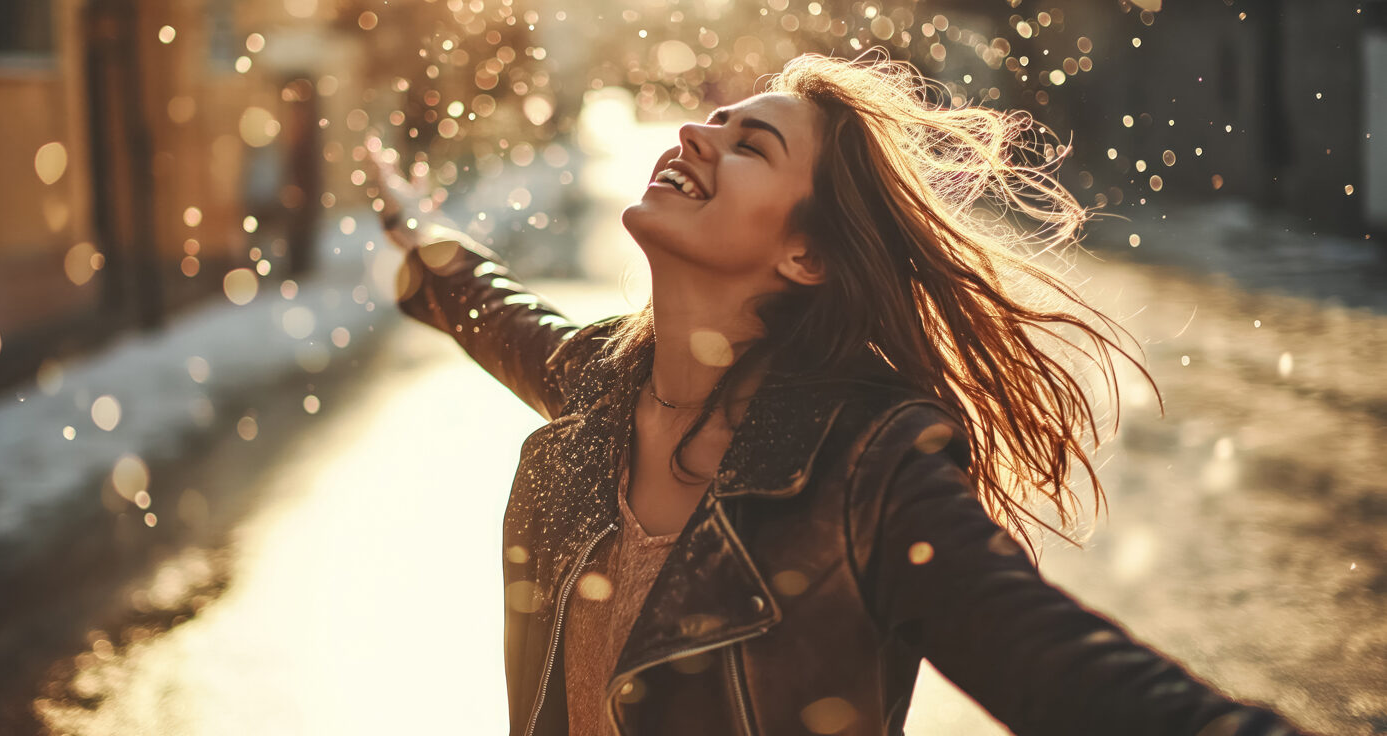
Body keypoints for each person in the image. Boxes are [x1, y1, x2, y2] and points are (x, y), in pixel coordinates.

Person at [369, 51, 1318, 736]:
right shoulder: (603, 386)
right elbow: (493, 309)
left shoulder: (867, 465)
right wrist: (420, 236)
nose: (696, 134)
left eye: (750, 145)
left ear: (807, 254)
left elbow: (1051, 661)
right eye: (714, 121)